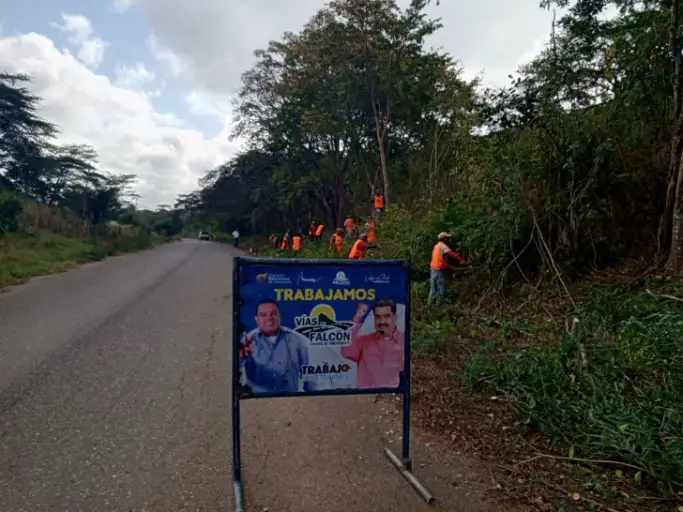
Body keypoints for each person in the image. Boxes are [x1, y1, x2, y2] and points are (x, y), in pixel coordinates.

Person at [239, 299, 315, 393]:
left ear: (279, 316)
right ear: (256, 319)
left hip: (290, 401)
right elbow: (234, 371)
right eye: (263, 315)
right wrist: (241, 357)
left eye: (273, 313)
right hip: (257, 402)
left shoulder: (298, 340)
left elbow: (310, 376)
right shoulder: (247, 341)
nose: (269, 318)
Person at [340, 299, 404, 388]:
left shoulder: (404, 341)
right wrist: (357, 319)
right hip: (366, 395)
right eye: (378, 317)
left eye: (386, 316)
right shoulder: (364, 341)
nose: (382, 321)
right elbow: (346, 352)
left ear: (395, 317)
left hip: (391, 395)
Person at [428, 232, 467, 304]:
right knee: (440, 290)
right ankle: (438, 307)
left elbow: (440, 261)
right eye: (447, 238)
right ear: (444, 239)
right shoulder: (443, 246)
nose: (448, 239)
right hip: (439, 271)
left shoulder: (436, 246)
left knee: (432, 290)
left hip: (433, 270)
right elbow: (451, 253)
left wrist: (450, 267)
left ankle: (429, 307)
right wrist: (461, 260)